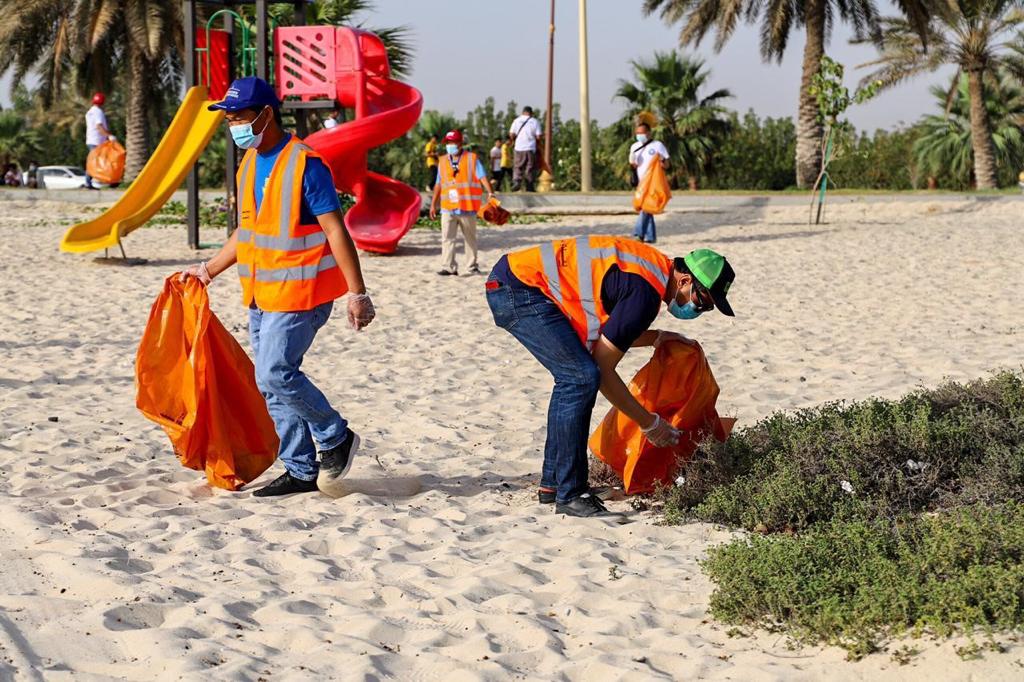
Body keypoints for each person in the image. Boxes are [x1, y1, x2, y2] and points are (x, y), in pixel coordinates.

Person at [179, 77, 376, 498]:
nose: (233, 126)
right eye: (228, 119)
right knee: (268, 382)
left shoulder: (306, 164)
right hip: (260, 293)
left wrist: (357, 293)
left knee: (275, 371)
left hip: (302, 293)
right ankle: (300, 469)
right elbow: (247, 231)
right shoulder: (248, 164)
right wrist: (208, 269)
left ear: (266, 115)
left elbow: (336, 230)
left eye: (239, 118)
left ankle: (334, 435)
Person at [486, 238, 735, 518]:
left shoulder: (652, 271)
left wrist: (659, 337)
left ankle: (553, 484)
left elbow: (616, 333)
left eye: (708, 307)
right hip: (519, 290)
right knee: (580, 378)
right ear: (685, 280)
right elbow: (603, 370)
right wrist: (649, 423)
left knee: (575, 376)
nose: (698, 310)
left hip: (517, 282)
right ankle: (571, 494)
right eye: (701, 301)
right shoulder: (645, 294)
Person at [429, 129, 495, 276]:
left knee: (470, 238)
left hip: (468, 207)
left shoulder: (472, 159)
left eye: (453, 142)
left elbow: (482, 177)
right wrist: (434, 204)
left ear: (460, 143)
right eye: (448, 143)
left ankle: (472, 266)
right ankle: (448, 267)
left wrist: (491, 192)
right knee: (447, 238)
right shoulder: (443, 161)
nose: (450, 145)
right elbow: (438, 184)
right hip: (448, 208)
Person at [629, 122, 670, 243]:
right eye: (637, 133)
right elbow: (634, 165)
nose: (639, 135)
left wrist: (662, 160)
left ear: (648, 133)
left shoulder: (657, 145)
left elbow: (667, 165)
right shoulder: (634, 147)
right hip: (641, 182)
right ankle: (651, 236)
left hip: (654, 182)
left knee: (646, 207)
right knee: (646, 207)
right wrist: (632, 163)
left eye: (642, 133)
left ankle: (638, 234)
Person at [85, 92, 115, 190]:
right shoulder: (98, 112)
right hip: (97, 140)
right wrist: (109, 136)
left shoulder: (90, 112)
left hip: (91, 139)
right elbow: (99, 126)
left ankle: (89, 182)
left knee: (94, 161)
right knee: (96, 162)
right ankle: (90, 183)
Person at [509, 106, 542, 191]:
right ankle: (529, 185)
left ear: (523, 112)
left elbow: (511, 134)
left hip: (519, 147)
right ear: (531, 113)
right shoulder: (535, 121)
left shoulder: (516, 121)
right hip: (530, 147)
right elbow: (538, 136)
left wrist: (514, 140)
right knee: (529, 166)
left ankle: (517, 181)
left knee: (517, 166)